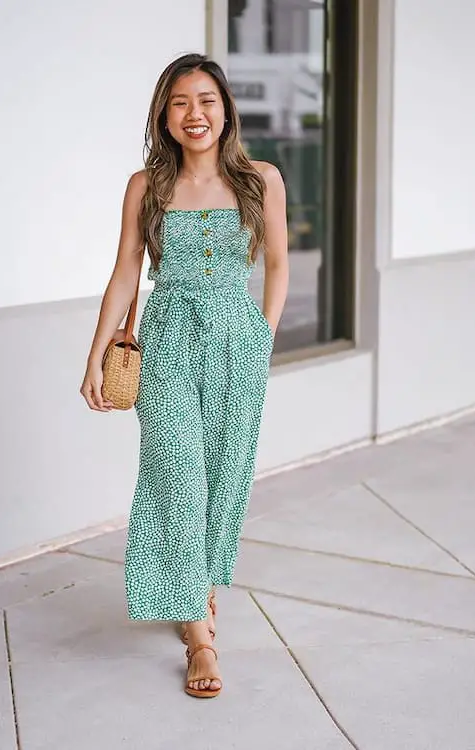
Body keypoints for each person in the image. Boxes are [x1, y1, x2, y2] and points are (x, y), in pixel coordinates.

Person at [80, 53, 289, 698]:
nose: (193, 114)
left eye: (205, 100)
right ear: (164, 116)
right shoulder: (147, 186)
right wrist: (94, 353)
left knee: (223, 471)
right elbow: (126, 273)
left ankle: (193, 584)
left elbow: (278, 263)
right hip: (169, 342)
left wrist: (263, 336)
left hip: (237, 344)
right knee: (174, 472)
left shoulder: (263, 179)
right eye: (179, 102)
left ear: (225, 109)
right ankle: (199, 635)